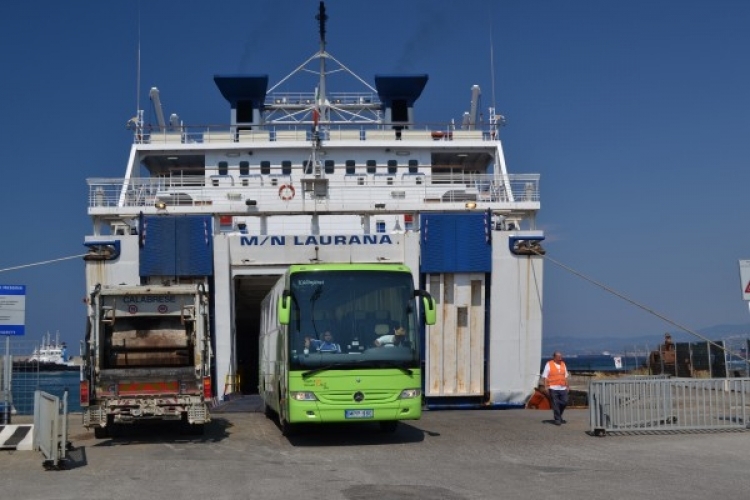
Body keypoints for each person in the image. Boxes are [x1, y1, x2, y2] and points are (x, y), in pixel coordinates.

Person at [541, 351, 569, 426]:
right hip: (553, 387)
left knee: (565, 402)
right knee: (555, 404)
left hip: (563, 387)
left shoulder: (563, 364)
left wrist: (567, 386)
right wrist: (545, 386)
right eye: (558, 357)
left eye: (561, 356)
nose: (560, 358)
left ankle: (558, 415)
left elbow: (565, 376)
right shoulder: (549, 364)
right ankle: (557, 419)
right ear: (554, 357)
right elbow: (545, 376)